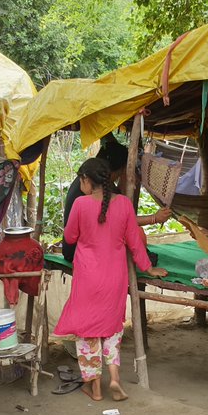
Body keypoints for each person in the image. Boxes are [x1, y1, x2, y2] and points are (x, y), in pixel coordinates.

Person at [55, 158, 168, 402]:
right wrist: (148, 268)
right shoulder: (125, 204)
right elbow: (135, 243)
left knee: (87, 331)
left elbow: (70, 237)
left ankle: (94, 388)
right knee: (112, 328)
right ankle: (114, 378)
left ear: (86, 180)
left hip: (88, 276)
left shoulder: (80, 204)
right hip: (115, 277)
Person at [62, 133, 171, 262]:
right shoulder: (90, 192)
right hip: (80, 252)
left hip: (82, 249)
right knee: (136, 232)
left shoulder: (95, 184)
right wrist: (154, 218)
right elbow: (122, 220)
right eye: (122, 172)